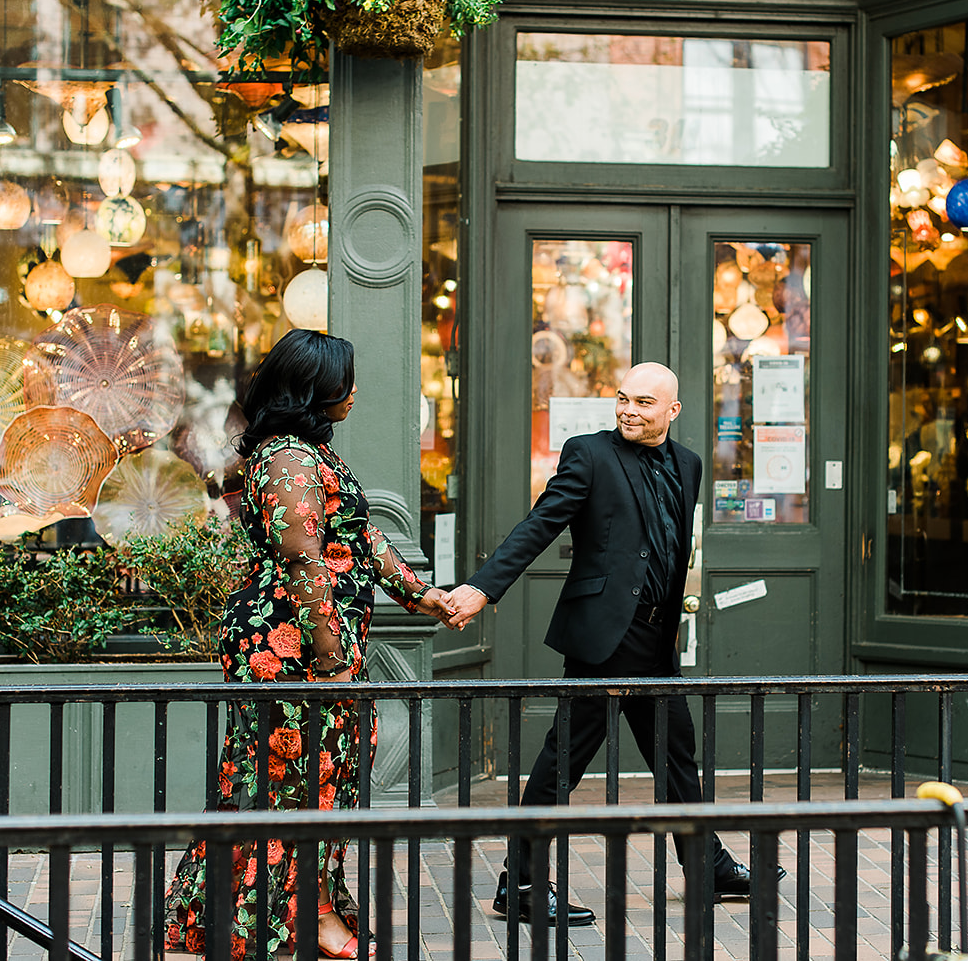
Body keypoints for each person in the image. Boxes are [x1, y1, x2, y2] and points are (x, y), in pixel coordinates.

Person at [445, 361, 779, 926]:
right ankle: (522, 883)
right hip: (604, 635)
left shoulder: (690, 466)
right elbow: (540, 524)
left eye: (644, 403)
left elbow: (670, 548)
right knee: (566, 758)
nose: (628, 409)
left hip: (655, 639)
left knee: (676, 752)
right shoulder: (590, 453)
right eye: (623, 398)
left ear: (672, 411)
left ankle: (709, 865)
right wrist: (482, 587)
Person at [162, 329, 455, 958]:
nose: (353, 393)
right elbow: (304, 561)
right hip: (290, 644)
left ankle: (283, 910)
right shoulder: (289, 458)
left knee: (313, 778)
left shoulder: (306, 453)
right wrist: (332, 660)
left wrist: (422, 597)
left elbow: (362, 538)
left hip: (312, 638)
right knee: (299, 778)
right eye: (344, 381)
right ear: (316, 390)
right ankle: (303, 916)